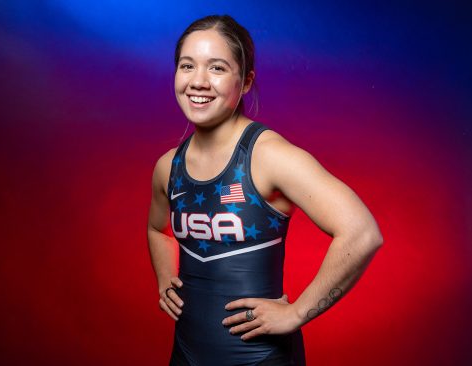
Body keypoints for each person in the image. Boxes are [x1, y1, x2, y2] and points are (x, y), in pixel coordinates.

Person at [147, 15, 383, 366]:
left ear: (245, 81)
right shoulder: (169, 166)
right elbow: (156, 229)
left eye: (217, 68)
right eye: (187, 66)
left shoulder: (269, 157)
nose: (198, 81)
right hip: (186, 354)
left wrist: (298, 312)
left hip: (261, 358)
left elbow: (362, 233)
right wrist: (166, 276)